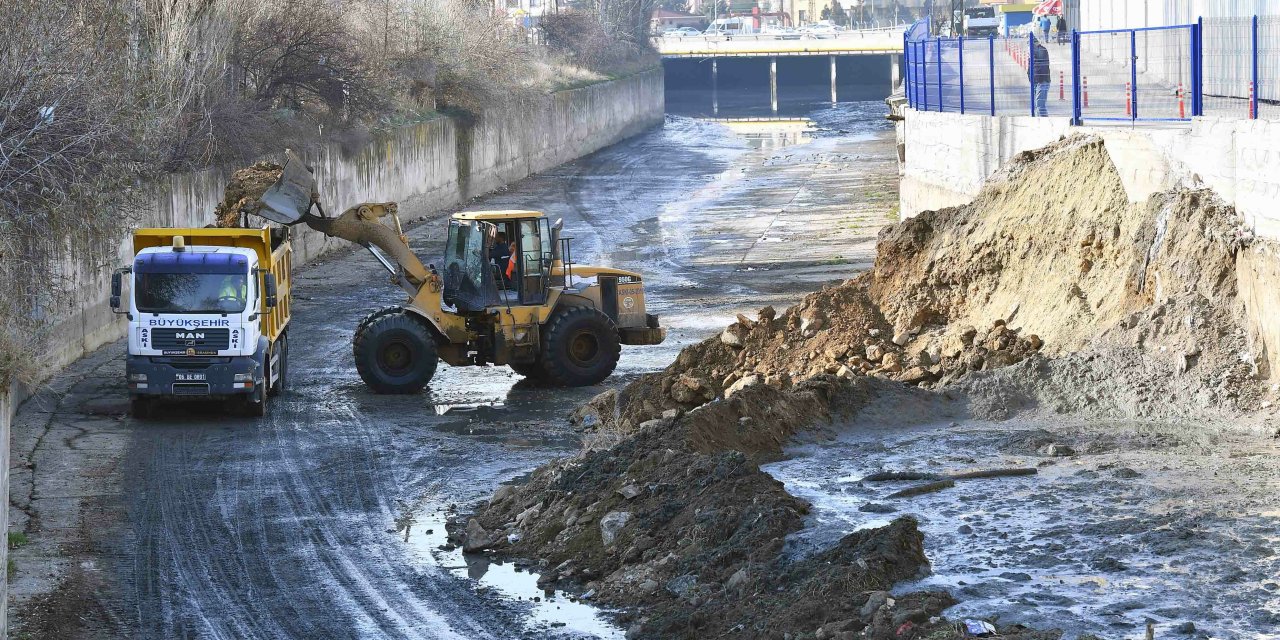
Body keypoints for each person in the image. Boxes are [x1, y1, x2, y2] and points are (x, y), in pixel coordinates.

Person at [1030, 37, 1051, 117]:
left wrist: (1037, 79)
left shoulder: (1040, 50)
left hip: (1042, 81)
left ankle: (1045, 123)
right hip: (1037, 81)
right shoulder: (1035, 51)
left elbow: (1040, 67)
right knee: (1037, 105)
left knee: (1040, 105)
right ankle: (1040, 122)